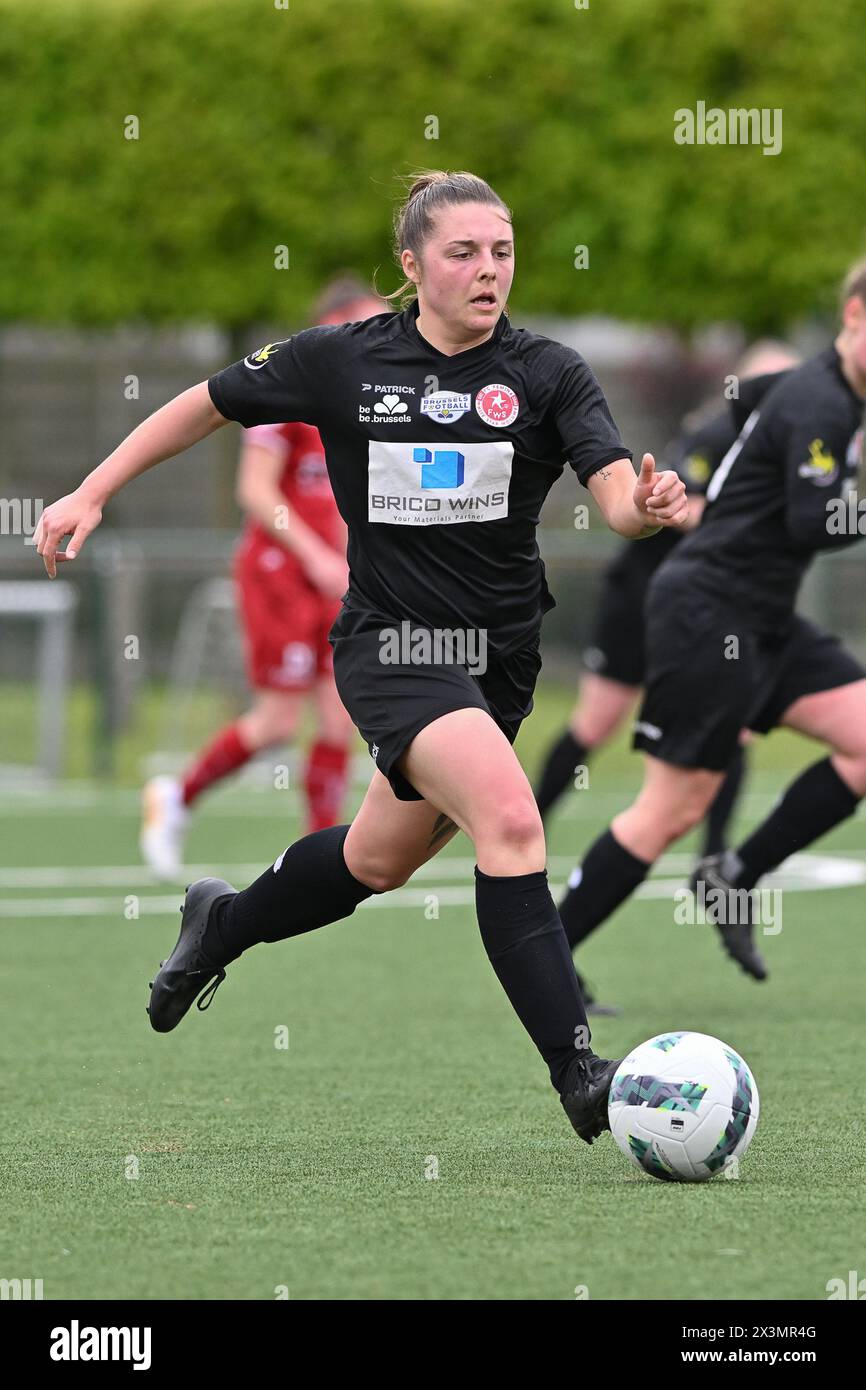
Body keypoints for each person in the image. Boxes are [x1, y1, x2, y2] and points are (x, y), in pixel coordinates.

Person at [34, 170, 686, 1146]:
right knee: (511, 820)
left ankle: (222, 925)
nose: (486, 270)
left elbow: (613, 493)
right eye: (462, 251)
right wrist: (92, 490)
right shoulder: (341, 362)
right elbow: (205, 404)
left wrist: (648, 507)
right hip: (393, 647)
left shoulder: (549, 373)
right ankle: (579, 1074)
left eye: (501, 251)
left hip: (496, 663)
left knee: (372, 861)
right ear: (411, 264)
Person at [555, 258, 866, 985]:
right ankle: (549, 959)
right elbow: (813, 516)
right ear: (853, 315)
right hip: (708, 608)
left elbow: (752, 400)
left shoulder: (824, 391)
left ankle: (733, 874)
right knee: (671, 809)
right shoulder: (819, 399)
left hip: (761, 615)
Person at [534, 343, 799, 1012]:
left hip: (708, 615)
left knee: (730, 734)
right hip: (646, 595)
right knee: (597, 724)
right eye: (778, 378)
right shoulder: (719, 433)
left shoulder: (790, 436)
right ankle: (525, 835)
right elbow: (673, 505)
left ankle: (714, 868)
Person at [140, 276, 384, 879]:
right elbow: (254, 491)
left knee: (337, 718)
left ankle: (319, 860)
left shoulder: (370, 400)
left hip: (332, 578)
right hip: (278, 571)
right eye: (367, 323)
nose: (380, 338)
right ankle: (176, 796)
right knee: (278, 721)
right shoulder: (295, 386)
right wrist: (315, 557)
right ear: (333, 325)